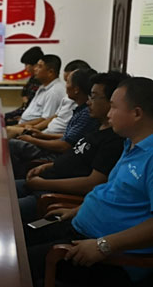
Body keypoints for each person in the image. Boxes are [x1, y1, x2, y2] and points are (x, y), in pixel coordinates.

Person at [0, 77, 153, 287]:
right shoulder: (131, 144)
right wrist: (77, 210)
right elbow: (109, 191)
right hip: (79, 225)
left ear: (137, 113)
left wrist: (104, 245)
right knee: (14, 239)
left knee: (25, 261)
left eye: (115, 107)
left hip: (109, 253)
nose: (109, 113)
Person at [15, 71, 129, 224]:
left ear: (112, 102)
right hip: (44, 181)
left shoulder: (114, 140)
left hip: (50, 195)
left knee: (0, 209)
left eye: (94, 97)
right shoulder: (97, 126)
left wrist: (42, 183)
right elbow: (76, 155)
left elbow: (92, 183)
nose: (88, 102)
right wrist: (49, 166)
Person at [9, 68, 99, 179]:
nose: (65, 86)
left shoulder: (86, 113)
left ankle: (14, 181)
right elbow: (69, 136)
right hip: (53, 143)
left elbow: (64, 146)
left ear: (76, 89)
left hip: (58, 154)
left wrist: (33, 140)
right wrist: (42, 135)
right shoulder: (80, 109)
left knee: (12, 144)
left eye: (68, 82)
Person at [24, 59, 92, 136]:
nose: (65, 86)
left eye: (68, 82)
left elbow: (68, 139)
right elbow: (55, 116)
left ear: (77, 87)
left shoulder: (84, 110)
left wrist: (40, 136)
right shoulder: (67, 98)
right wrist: (34, 128)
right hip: (45, 133)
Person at [5, 55, 66, 139]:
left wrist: (17, 127)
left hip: (35, 132)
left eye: (39, 66)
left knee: (5, 131)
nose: (35, 69)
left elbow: (45, 120)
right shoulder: (43, 87)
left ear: (50, 72)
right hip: (25, 125)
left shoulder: (54, 92)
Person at [4, 46, 44, 125]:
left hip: (31, 118)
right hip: (25, 111)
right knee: (3, 117)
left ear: (35, 65)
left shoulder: (41, 81)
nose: (25, 68)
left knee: (4, 121)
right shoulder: (33, 78)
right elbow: (24, 92)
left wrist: (22, 118)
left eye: (26, 64)